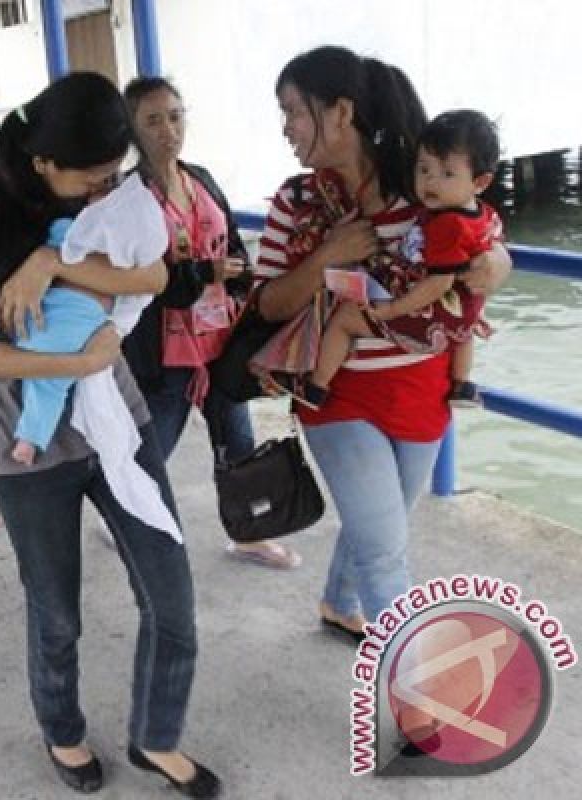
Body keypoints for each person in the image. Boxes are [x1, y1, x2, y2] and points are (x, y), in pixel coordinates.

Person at [0, 72, 220, 797]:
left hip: (118, 422)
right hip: (26, 445)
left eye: (111, 177)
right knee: (56, 610)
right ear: (40, 163)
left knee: (172, 596)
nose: (102, 190)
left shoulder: (108, 188)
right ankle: (61, 728)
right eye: (88, 178)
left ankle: (156, 736)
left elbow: (152, 273)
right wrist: (72, 361)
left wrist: (54, 260)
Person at [254, 46, 511, 641]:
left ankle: (338, 601)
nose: (286, 127)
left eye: (293, 111)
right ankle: (416, 699)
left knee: (379, 524)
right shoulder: (296, 203)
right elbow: (266, 305)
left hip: (425, 393)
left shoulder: (420, 187)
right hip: (337, 394)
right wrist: (325, 258)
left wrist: (498, 260)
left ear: (340, 112)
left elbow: (481, 233)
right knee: (387, 552)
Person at [123, 76, 301, 570]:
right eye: (153, 120)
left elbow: (233, 245)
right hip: (162, 350)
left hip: (219, 339)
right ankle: (126, 523)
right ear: (132, 128)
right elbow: (139, 277)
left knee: (237, 443)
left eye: (176, 116)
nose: (168, 130)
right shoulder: (127, 197)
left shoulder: (199, 176)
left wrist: (241, 282)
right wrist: (203, 273)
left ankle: (247, 533)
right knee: (149, 449)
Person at [293, 110, 500, 410]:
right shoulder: (483, 214)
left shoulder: (446, 225)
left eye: (446, 173)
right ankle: (463, 384)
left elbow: (438, 282)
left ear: (480, 182)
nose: (430, 182)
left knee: (346, 319)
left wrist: (392, 309)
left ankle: (315, 386)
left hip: (429, 316)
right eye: (424, 169)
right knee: (465, 330)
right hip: (463, 316)